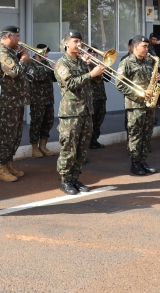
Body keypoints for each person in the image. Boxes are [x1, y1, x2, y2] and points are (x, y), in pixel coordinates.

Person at [54, 30, 105, 195]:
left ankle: (75, 177)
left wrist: (92, 66)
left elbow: (97, 81)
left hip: (86, 111)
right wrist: (91, 74)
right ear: (66, 43)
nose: (79, 45)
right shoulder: (62, 63)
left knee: (82, 148)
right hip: (71, 113)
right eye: (75, 41)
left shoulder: (82, 62)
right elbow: (70, 83)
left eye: (80, 42)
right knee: (69, 147)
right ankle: (65, 180)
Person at [116, 35, 160, 175]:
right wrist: (140, 94)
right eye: (144, 46)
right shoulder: (126, 63)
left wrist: (157, 78)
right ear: (135, 47)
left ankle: (143, 161)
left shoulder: (148, 62)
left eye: (147, 46)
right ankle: (135, 164)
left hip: (148, 105)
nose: (147, 49)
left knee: (146, 135)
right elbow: (120, 85)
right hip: (135, 105)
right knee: (135, 135)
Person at [0, 25, 32, 182]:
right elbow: (13, 72)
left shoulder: (10, 52)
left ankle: (9, 164)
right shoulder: (1, 52)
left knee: (15, 135)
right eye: (17, 36)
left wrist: (19, 56)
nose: (19, 39)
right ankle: (1, 168)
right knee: (7, 135)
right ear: (8, 36)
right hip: (7, 101)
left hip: (16, 100)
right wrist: (24, 61)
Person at [26, 44, 57, 158]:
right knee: (36, 123)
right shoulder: (30, 63)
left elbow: (53, 79)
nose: (46, 55)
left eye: (47, 53)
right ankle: (34, 147)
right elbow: (36, 77)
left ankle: (43, 146)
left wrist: (56, 70)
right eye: (44, 52)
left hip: (48, 98)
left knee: (48, 122)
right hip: (37, 99)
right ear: (37, 52)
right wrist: (50, 69)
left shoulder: (46, 63)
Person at [89, 48, 110, 150]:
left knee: (99, 119)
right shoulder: (86, 65)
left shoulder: (100, 66)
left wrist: (104, 68)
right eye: (93, 54)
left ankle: (95, 139)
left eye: (97, 55)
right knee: (91, 120)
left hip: (101, 96)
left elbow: (108, 79)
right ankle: (89, 140)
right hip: (91, 97)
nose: (96, 57)